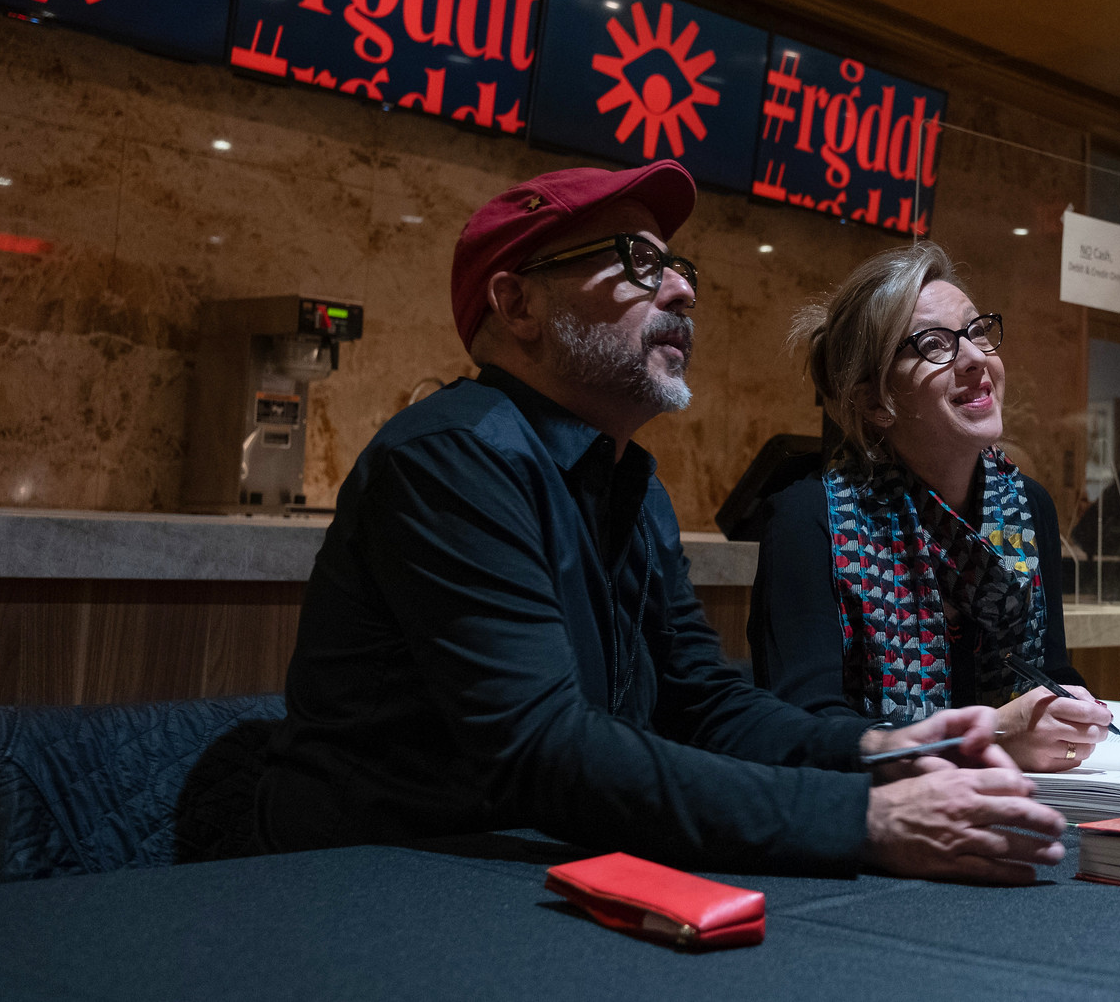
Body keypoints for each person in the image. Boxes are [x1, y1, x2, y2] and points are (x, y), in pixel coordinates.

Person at [256, 162, 1067, 884]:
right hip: (371, 882)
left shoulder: (629, 482)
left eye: (677, 264)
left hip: (525, 865)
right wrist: (865, 818)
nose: (680, 288)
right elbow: (546, 747)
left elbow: (703, 700)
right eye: (637, 263)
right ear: (517, 302)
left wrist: (884, 750)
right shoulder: (450, 459)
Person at [748, 243, 1120, 773]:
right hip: (870, 831)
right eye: (933, 345)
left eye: (977, 331)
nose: (975, 358)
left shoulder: (1028, 507)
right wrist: (990, 736)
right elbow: (804, 730)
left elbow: (1046, 675)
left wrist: (1097, 717)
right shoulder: (807, 519)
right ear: (876, 403)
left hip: (1013, 811)